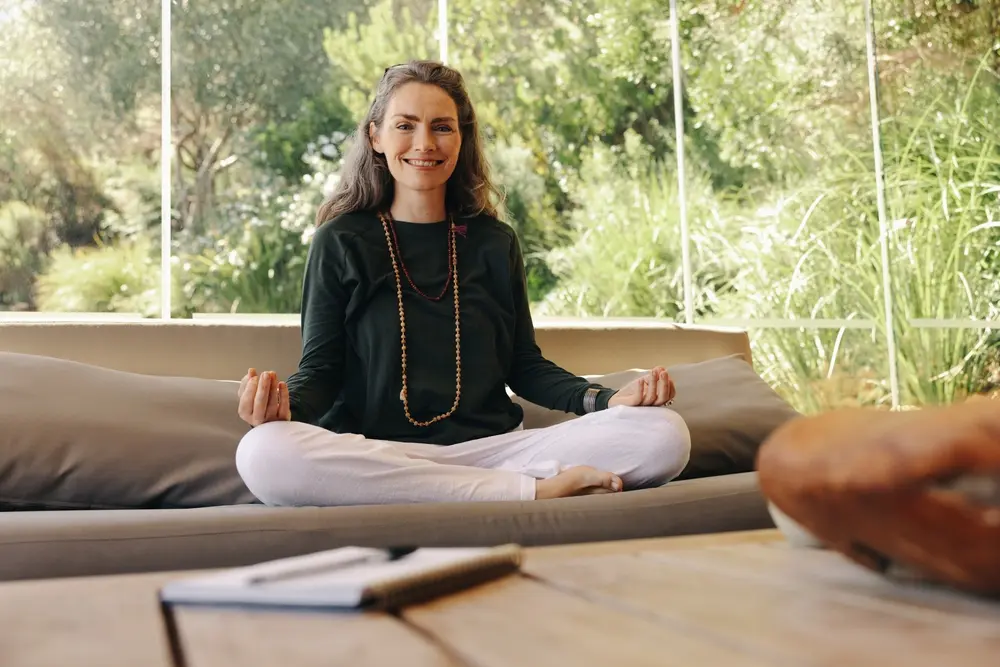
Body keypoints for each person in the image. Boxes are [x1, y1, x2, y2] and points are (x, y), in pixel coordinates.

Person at [234, 60, 691, 506]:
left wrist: (606, 400)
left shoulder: (494, 242)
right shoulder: (341, 241)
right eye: (405, 125)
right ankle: (530, 492)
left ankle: (464, 489)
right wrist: (282, 407)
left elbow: (524, 364)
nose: (424, 143)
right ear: (375, 137)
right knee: (263, 452)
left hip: (493, 451)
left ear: (462, 138)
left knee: (664, 435)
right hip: (378, 454)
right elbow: (322, 369)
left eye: (442, 127)